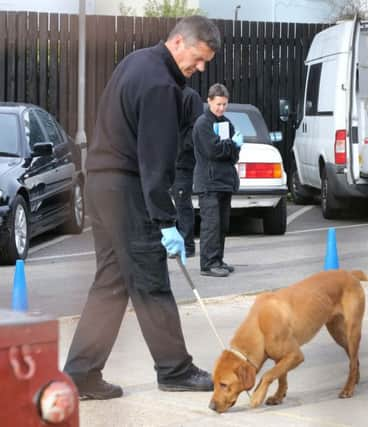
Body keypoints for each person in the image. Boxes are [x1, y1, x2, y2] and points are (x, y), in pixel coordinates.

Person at [63, 16, 221, 400]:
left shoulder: (136, 61)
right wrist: (166, 221)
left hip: (100, 182)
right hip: (126, 187)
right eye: (198, 60)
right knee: (151, 279)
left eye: (205, 65)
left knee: (111, 283)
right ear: (179, 42)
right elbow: (156, 164)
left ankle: (81, 373)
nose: (199, 70)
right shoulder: (160, 86)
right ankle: (175, 369)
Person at [192, 83, 243, 277]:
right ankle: (208, 263)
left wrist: (231, 147)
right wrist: (230, 145)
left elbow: (232, 155)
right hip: (209, 182)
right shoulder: (203, 124)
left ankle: (218, 259)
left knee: (222, 224)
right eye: (218, 104)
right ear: (209, 101)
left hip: (224, 181)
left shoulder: (227, 123)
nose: (221, 108)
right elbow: (213, 150)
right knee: (211, 225)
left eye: (224, 104)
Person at [173, 87, 204, 257]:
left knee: (182, 203)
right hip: (166, 160)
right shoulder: (163, 94)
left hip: (181, 161)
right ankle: (176, 244)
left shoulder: (190, 96)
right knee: (172, 203)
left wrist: (181, 149)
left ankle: (187, 245)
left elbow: (195, 129)